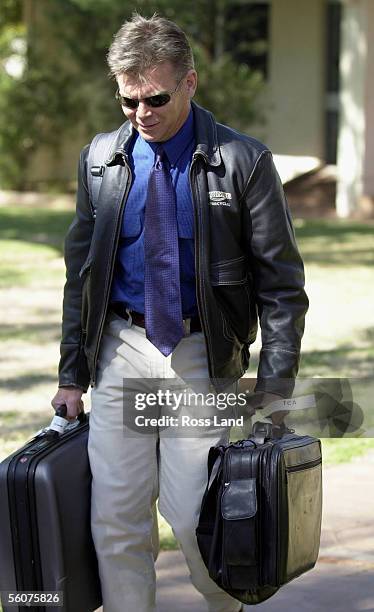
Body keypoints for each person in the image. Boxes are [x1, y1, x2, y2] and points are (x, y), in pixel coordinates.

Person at [51, 12, 308, 612]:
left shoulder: (243, 162)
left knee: (198, 517)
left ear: (191, 83)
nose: (141, 113)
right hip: (122, 347)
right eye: (127, 100)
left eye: (155, 97)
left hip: (200, 353)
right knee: (115, 518)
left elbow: (282, 288)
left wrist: (274, 388)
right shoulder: (100, 162)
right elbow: (80, 277)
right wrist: (71, 375)